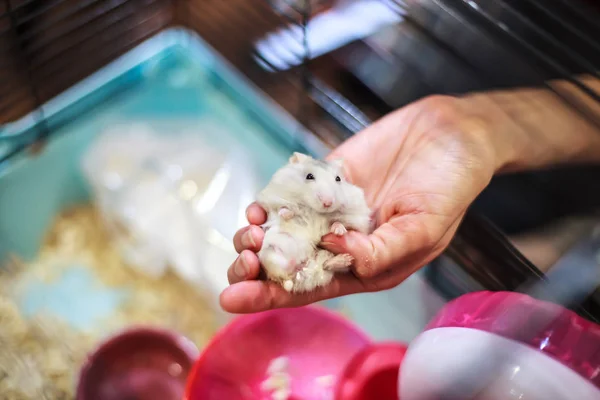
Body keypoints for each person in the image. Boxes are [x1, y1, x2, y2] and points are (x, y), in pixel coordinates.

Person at [221, 75, 600, 314]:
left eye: (336, 184)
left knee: (511, 250)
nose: (326, 196)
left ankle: (554, 238)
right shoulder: (293, 187)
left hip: (560, 182)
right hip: (463, 71)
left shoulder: (347, 201)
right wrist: (473, 124)